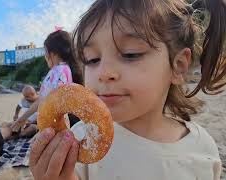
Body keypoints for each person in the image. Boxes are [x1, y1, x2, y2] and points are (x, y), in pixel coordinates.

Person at [29, 0, 226, 180]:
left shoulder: (203, 149)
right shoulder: (79, 139)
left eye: (130, 54)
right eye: (92, 59)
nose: (104, 73)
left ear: (178, 65)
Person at [11, 30, 83, 132]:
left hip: (61, 128)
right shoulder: (69, 69)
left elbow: (44, 102)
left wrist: (20, 120)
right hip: (74, 124)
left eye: (45, 52)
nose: (45, 56)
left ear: (52, 54)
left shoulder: (57, 72)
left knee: (20, 131)